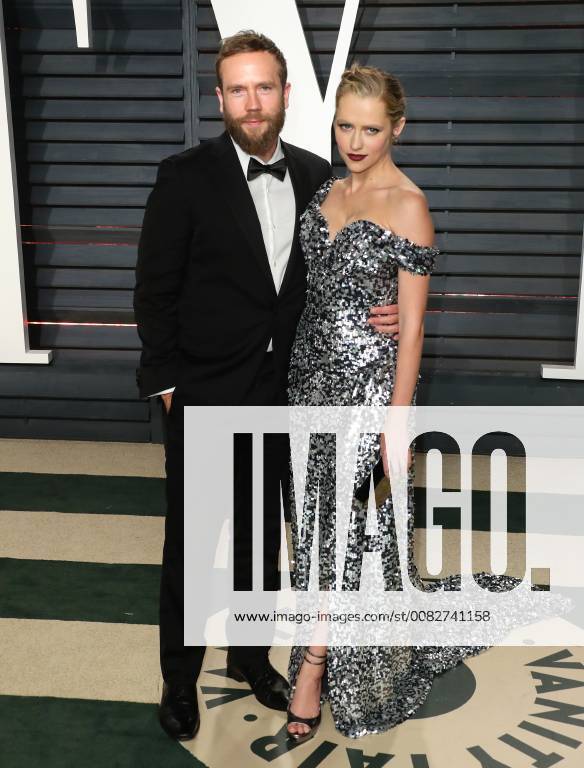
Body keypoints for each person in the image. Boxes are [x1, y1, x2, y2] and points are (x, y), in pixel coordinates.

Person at [134, 33, 400, 742]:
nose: (253, 103)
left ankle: (251, 659)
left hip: (290, 395)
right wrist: (166, 385)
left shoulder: (321, 179)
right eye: (238, 90)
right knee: (193, 547)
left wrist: (395, 306)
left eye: (265, 87)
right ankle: (178, 681)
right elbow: (154, 290)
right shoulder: (183, 177)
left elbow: (347, 280)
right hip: (207, 392)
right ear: (220, 99)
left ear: (286, 95)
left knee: (260, 544)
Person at [283, 63, 523, 742]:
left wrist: (397, 421)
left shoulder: (409, 204)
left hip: (365, 392)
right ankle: (323, 642)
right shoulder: (328, 186)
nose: (356, 140)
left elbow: (412, 328)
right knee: (313, 528)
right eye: (345, 126)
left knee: (345, 530)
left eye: (371, 128)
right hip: (307, 383)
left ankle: (315, 665)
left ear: (397, 128)